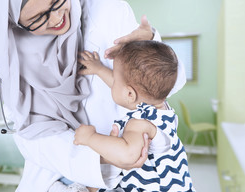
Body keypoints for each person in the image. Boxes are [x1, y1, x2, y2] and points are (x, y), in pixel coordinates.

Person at [0, 0, 187, 191]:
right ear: (15, 23)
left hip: (137, 174)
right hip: (62, 177)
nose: (57, 17)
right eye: (38, 18)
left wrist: (152, 42)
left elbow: (162, 86)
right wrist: (100, 156)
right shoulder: (11, 60)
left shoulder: (109, 14)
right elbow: (31, 137)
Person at [74, 41, 195, 192]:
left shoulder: (139, 124)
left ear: (130, 94)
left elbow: (128, 155)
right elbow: (126, 88)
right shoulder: (163, 110)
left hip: (151, 188)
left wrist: (89, 137)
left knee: (94, 185)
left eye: (116, 79)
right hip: (174, 183)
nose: (114, 81)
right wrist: (99, 69)